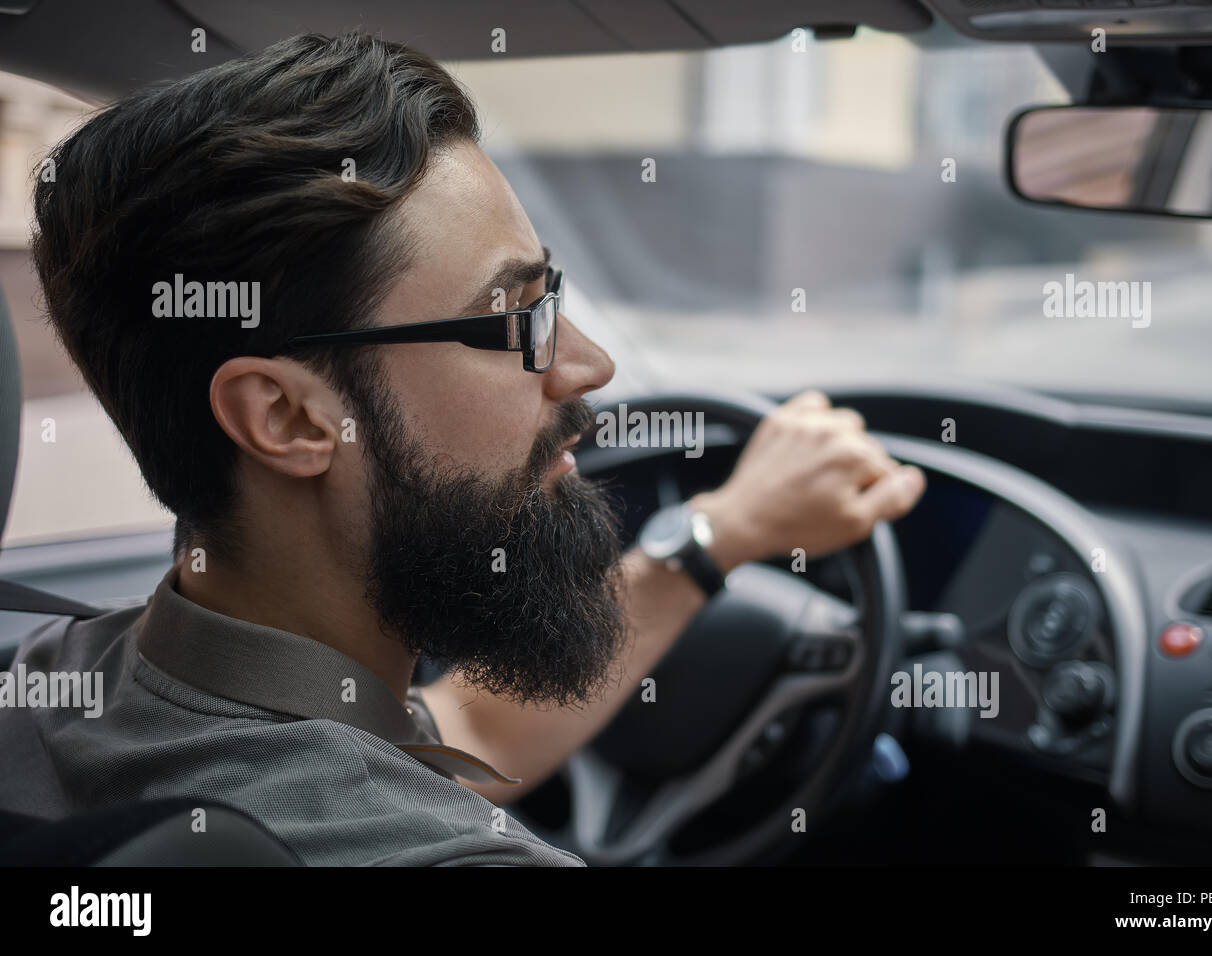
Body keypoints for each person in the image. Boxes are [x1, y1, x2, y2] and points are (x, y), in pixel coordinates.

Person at [1, 33, 924, 865]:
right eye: (518, 318)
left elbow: (446, 732)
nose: (590, 367)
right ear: (285, 418)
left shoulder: (51, 680)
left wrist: (717, 537)